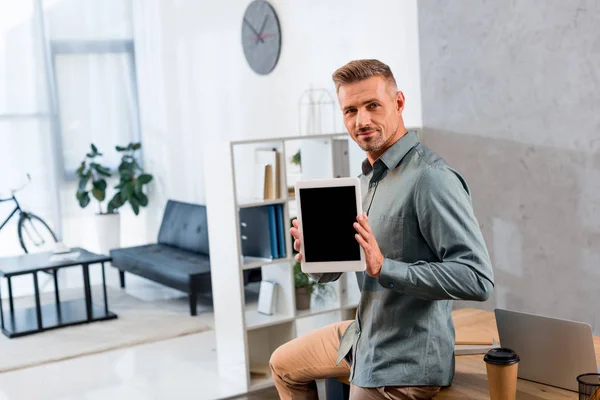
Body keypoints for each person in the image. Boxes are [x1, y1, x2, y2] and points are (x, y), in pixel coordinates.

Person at [269, 59, 494, 400]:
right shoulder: (364, 182)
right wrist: (314, 255)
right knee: (283, 364)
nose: (362, 121)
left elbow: (477, 279)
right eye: (350, 110)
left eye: (373, 105)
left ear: (399, 103)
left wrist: (384, 267)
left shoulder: (431, 179)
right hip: (365, 333)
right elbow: (345, 267)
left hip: (405, 360)